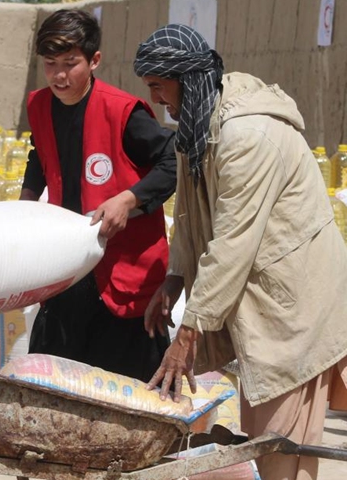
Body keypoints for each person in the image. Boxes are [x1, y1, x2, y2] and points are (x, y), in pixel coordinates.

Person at [134, 24, 347, 480]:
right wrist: (173, 279)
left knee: (279, 447)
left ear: (186, 79)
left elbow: (233, 242)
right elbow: (189, 216)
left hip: (293, 305)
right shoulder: (196, 127)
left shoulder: (246, 136)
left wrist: (186, 337)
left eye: (158, 87)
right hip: (263, 305)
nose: (155, 101)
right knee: (262, 437)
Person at [21, 9, 177, 383]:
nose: (59, 75)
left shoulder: (123, 111)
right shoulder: (39, 105)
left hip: (124, 271)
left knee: (126, 387)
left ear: (94, 60)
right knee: (55, 381)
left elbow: (173, 162)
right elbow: (39, 157)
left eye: (70, 63)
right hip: (69, 265)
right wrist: (24, 204)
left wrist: (128, 199)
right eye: (50, 64)